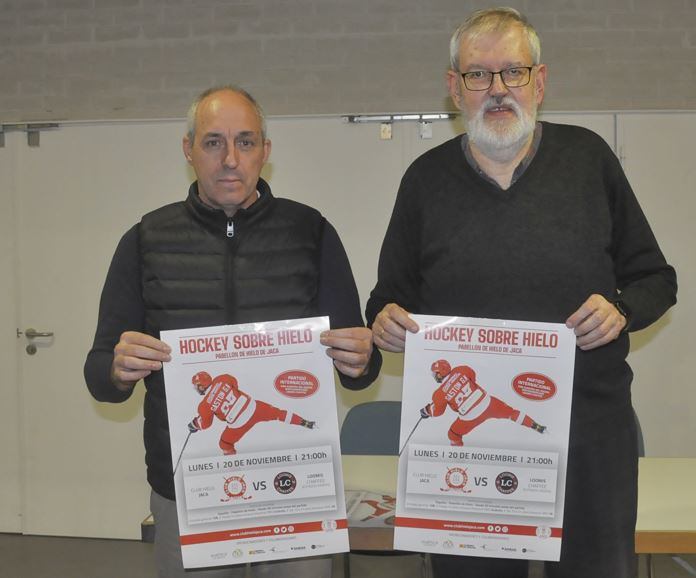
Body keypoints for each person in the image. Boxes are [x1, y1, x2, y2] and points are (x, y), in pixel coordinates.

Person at [366, 7, 676, 578]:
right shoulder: (424, 180)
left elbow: (657, 278)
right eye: (478, 75)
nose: (498, 89)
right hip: (468, 454)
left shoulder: (589, 160)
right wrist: (385, 322)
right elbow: (387, 300)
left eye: (513, 72)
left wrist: (622, 311)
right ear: (454, 88)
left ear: (540, 81)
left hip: (588, 436)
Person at [84, 85, 381, 578]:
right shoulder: (144, 240)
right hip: (187, 488)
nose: (230, 159)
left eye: (245, 142)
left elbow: (358, 370)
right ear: (188, 149)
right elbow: (99, 374)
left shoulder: (312, 233)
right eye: (213, 142)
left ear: (265, 150)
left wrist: (362, 357)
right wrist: (116, 369)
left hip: (293, 486)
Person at [188, 371, 316, 456]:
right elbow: (235, 384)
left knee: (224, 444)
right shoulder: (223, 378)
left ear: (200, 386)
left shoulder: (204, 405)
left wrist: (194, 424)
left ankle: (233, 469)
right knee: (278, 413)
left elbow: (205, 424)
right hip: (253, 407)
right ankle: (304, 422)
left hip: (238, 424)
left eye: (196, 386)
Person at [421, 359, 546, 445]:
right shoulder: (462, 369)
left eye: (435, 374)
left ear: (439, 374)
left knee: (453, 434)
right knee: (511, 413)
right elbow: (473, 377)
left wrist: (426, 411)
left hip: (470, 417)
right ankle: (536, 426)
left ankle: (457, 459)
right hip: (487, 403)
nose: (434, 376)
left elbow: (437, 412)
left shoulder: (439, 393)